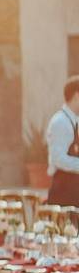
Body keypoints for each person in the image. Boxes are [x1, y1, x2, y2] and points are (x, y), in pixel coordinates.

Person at [46, 75, 79, 207]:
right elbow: (58, 158)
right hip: (64, 191)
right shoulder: (60, 122)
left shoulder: (74, 120)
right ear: (77, 95)